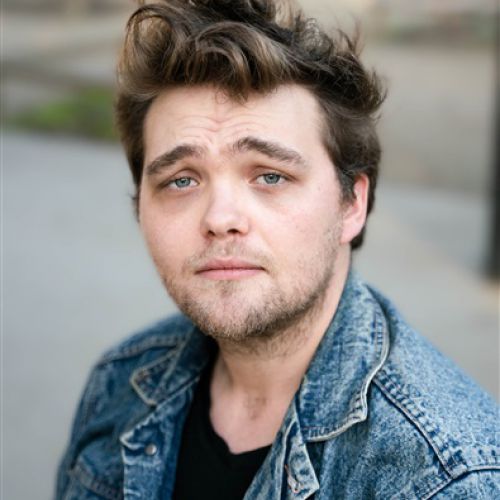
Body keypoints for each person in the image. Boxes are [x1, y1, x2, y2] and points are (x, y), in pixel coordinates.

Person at [55, 1, 499, 498]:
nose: (220, 218)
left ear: (352, 204)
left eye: (270, 176)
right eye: (181, 180)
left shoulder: (449, 478)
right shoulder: (119, 383)